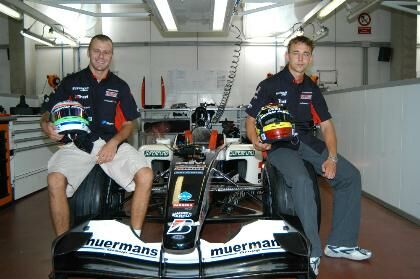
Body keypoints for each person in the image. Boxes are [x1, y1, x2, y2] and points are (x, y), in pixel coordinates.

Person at [245, 36, 372, 277]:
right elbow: (250, 119)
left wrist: (331, 157)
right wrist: (255, 139)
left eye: (305, 54)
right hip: (279, 146)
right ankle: (312, 251)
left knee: (350, 176)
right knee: (302, 181)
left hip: (307, 141)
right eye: (296, 53)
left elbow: (326, 126)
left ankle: (341, 244)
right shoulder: (269, 85)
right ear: (287, 55)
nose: (301, 58)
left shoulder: (312, 88)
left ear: (311, 58)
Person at [40, 34, 153, 237]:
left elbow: (128, 125)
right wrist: (46, 125)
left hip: (112, 144)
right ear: (89, 52)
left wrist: (114, 143)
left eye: (106, 52)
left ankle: (135, 236)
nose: (101, 56)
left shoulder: (120, 86)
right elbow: (48, 111)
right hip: (77, 144)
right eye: (97, 51)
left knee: (146, 175)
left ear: (112, 55)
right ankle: (62, 245)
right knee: (55, 180)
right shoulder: (70, 82)